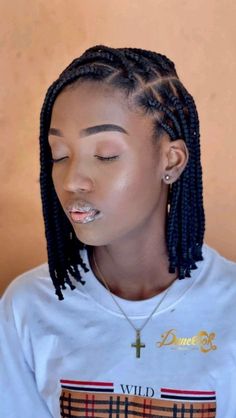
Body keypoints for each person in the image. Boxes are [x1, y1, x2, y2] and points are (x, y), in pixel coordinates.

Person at [0, 45, 235, 418]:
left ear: (171, 161)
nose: (73, 180)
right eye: (59, 155)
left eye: (106, 154)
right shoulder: (28, 308)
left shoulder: (230, 306)